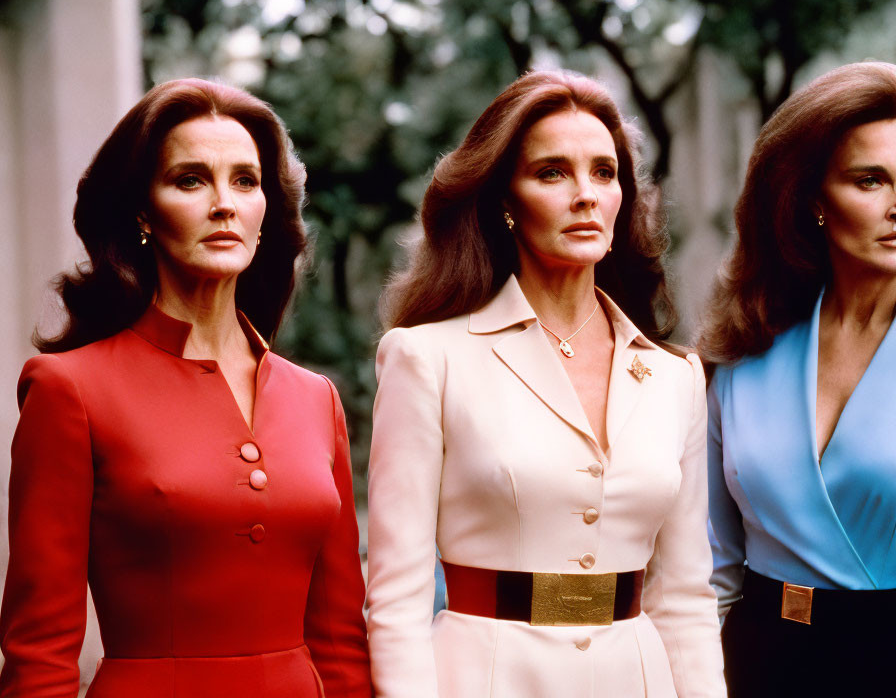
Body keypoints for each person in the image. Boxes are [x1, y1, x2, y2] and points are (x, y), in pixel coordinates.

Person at [0, 78, 372, 698]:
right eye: (190, 180)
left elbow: (340, 642)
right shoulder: (70, 389)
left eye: (246, 182)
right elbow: (39, 653)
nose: (224, 203)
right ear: (143, 212)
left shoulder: (316, 399)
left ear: (266, 212)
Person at [366, 70, 725, 697]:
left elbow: (686, 596)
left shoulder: (676, 377)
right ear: (505, 199)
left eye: (605, 173)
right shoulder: (426, 359)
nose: (586, 194)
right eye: (553, 172)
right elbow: (396, 600)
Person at [700, 61, 896, 696]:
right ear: (812, 198)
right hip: (756, 659)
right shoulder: (743, 350)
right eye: (871, 180)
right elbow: (711, 568)